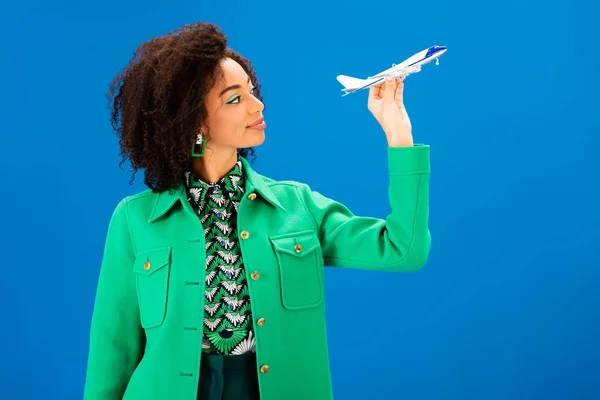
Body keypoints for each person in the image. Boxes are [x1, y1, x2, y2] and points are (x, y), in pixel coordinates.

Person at [83, 21, 431, 400]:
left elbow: (404, 249)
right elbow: (112, 353)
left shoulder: (297, 206)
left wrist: (399, 134)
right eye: (234, 98)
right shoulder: (134, 220)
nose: (258, 104)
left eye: (252, 90)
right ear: (193, 120)